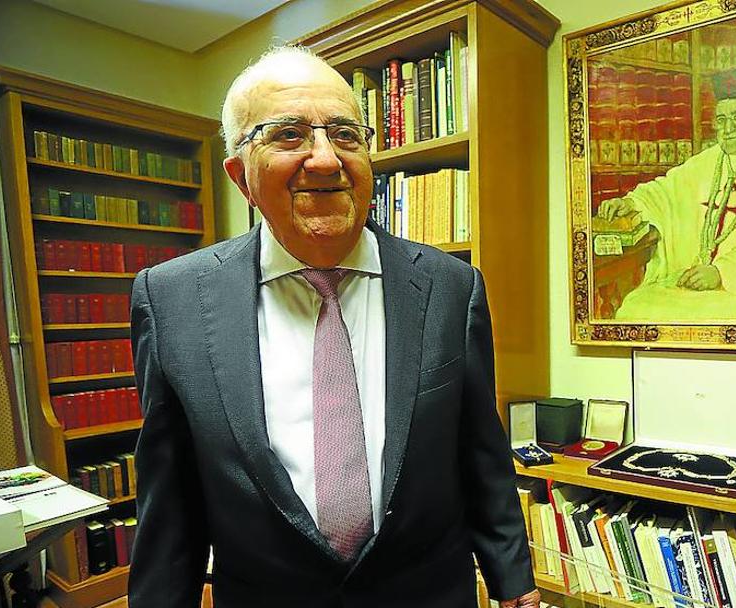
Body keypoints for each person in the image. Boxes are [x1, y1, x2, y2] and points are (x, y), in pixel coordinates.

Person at [127, 46, 539, 608]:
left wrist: (513, 583)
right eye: (288, 135)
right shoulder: (171, 299)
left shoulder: (451, 287)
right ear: (241, 177)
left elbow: (481, 454)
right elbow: (169, 498)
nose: (325, 160)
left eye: (346, 135)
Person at [598, 65, 736, 322]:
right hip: (694, 278)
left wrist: (724, 272)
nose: (728, 129)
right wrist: (632, 202)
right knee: (636, 306)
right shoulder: (709, 161)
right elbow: (669, 191)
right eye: (721, 119)